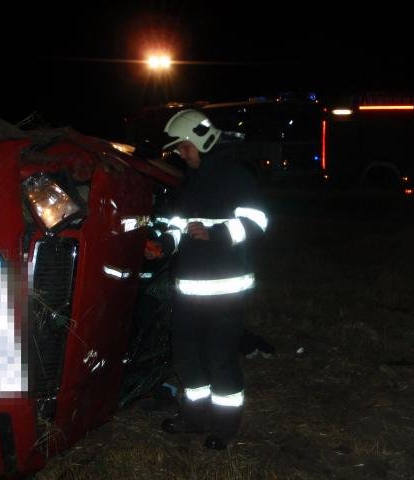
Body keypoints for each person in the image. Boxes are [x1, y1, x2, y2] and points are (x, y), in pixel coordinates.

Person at [148, 109, 267, 450]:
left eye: (184, 147)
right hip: (188, 291)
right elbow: (176, 224)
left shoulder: (236, 177)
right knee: (186, 355)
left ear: (202, 140)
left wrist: (215, 233)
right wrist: (163, 244)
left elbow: (257, 223)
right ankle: (194, 417)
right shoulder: (190, 182)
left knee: (219, 357)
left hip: (227, 291)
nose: (181, 154)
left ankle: (225, 429)